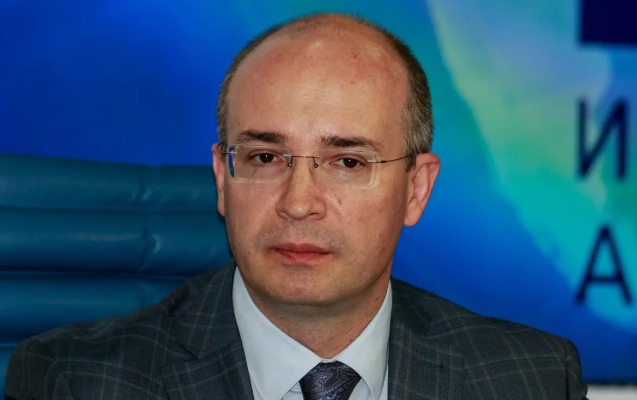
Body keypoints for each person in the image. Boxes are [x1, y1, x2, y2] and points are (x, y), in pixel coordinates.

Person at [5, 13, 587, 400]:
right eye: (265, 158)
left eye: (348, 162)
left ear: (416, 188)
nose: (300, 203)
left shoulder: (532, 379)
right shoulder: (75, 381)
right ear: (222, 178)